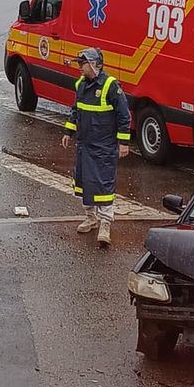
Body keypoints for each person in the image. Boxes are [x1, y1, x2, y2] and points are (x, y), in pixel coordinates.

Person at [60, 48, 131, 249]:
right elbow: (76, 110)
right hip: (85, 145)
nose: (79, 67)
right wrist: (68, 132)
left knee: (103, 186)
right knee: (83, 183)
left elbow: (124, 115)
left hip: (103, 147)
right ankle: (90, 217)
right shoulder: (81, 85)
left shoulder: (110, 86)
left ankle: (105, 224)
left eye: (82, 64)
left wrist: (123, 143)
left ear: (94, 64)